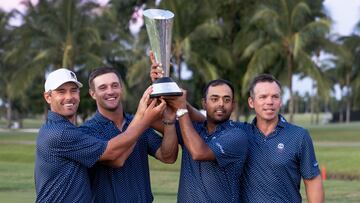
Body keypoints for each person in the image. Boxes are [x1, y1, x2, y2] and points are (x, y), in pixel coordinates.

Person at [34, 68, 165, 202]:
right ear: (48, 97)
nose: (69, 96)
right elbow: (114, 155)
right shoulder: (60, 133)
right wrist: (144, 117)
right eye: (61, 91)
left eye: (73, 90)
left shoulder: (65, 129)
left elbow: (168, 155)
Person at [80, 67, 179, 202]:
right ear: (93, 94)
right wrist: (141, 118)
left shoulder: (138, 123)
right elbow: (117, 159)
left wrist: (169, 121)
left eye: (115, 85)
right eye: (103, 87)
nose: (110, 91)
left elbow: (168, 157)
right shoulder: (87, 131)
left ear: (121, 88)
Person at [240, 74, 324, 202]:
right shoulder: (240, 134)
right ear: (251, 102)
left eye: (275, 96)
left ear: (281, 101)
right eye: (263, 97)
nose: (269, 102)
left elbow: (312, 181)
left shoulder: (299, 135)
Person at [166, 79, 249, 202]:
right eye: (214, 99)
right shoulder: (193, 129)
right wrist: (161, 86)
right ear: (204, 104)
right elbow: (155, 120)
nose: (221, 103)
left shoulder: (236, 136)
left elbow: (199, 153)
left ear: (233, 105)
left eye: (227, 100)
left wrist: (182, 109)